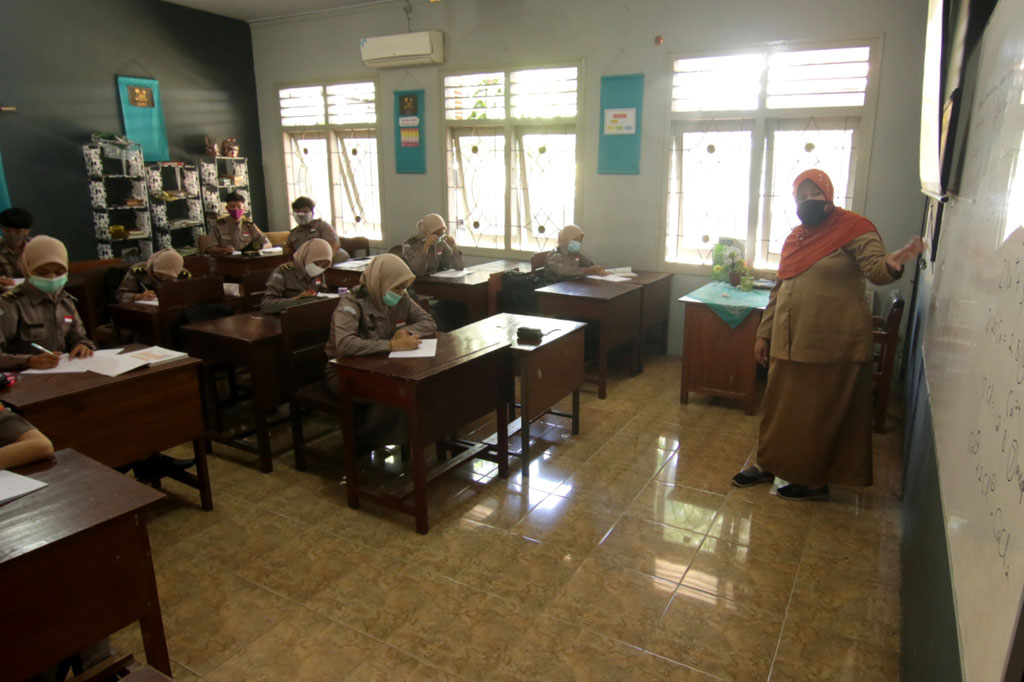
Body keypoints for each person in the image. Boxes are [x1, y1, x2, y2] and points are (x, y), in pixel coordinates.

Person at [731, 168, 923, 500]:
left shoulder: (853, 228)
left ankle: (814, 482)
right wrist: (763, 335)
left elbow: (876, 269)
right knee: (778, 409)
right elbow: (780, 289)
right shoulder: (796, 238)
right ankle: (768, 464)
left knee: (818, 416)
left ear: (829, 195)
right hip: (789, 341)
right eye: (801, 197)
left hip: (831, 343)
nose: (808, 201)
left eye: (815, 195)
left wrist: (894, 262)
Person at [325, 254, 436, 448]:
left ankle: (410, 441)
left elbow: (428, 322)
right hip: (344, 372)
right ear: (380, 282)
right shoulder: (351, 303)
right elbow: (344, 344)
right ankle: (364, 444)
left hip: (384, 366)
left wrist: (405, 331)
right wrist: (391, 345)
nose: (401, 292)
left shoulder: (401, 298)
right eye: (397, 287)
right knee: (396, 392)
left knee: (424, 384)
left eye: (404, 287)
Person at [0, 235, 95, 371]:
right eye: (42, 272)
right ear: (27, 270)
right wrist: (29, 361)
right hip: (24, 380)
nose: (52, 278)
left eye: (59, 272)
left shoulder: (65, 300)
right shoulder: (9, 304)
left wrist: (82, 346)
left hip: (63, 372)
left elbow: (78, 336)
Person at [260, 237, 332, 313]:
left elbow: (323, 295)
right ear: (306, 257)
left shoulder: (319, 273)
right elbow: (266, 305)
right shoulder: (283, 272)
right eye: (316, 263)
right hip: (286, 318)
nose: (319, 268)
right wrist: (295, 300)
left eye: (325, 266)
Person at [199, 191, 271, 255]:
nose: (236, 209)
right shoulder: (218, 225)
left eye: (239, 207)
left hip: (246, 260)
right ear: (227, 208)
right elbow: (210, 249)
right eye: (232, 206)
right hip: (226, 261)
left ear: (244, 208)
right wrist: (223, 250)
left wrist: (261, 250)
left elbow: (267, 243)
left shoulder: (250, 226)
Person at [115, 248, 190, 303]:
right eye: (159, 275)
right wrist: (138, 296)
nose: (163, 279)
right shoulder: (138, 271)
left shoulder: (183, 275)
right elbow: (119, 296)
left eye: (168, 278)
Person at [286, 196, 348, 263]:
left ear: (312, 213)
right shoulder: (293, 234)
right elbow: (290, 251)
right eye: (297, 212)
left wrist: (327, 260)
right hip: (311, 264)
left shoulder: (322, 226)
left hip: (336, 260)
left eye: (305, 211)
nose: (301, 214)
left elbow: (335, 244)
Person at [400, 213, 463, 277]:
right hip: (417, 282)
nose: (439, 237)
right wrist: (426, 247)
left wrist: (454, 248)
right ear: (426, 232)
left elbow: (459, 267)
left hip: (434, 281)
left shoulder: (440, 242)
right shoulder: (410, 244)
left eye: (442, 234)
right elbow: (418, 272)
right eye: (436, 234)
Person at [543, 224, 608, 283]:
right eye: (575, 240)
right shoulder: (555, 255)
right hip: (555, 287)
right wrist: (586, 270)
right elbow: (563, 271)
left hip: (571, 284)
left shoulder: (574, 252)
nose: (578, 243)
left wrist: (595, 268)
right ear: (566, 239)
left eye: (580, 241)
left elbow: (586, 263)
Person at [0, 207, 34, 287]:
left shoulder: (37, 247)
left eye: (17, 231)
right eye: (7, 230)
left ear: (27, 231)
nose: (12, 234)